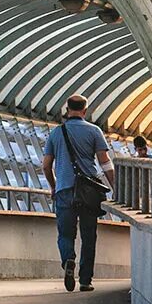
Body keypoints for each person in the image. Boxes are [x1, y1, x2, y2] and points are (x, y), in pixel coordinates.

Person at [42, 94, 115, 291]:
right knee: (88, 235)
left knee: (65, 234)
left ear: (67, 110)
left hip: (64, 189)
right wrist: (115, 186)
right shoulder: (94, 131)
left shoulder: (56, 133)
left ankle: (68, 260)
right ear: (85, 110)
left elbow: (46, 165)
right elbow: (105, 162)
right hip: (89, 191)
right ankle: (85, 281)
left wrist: (53, 186)